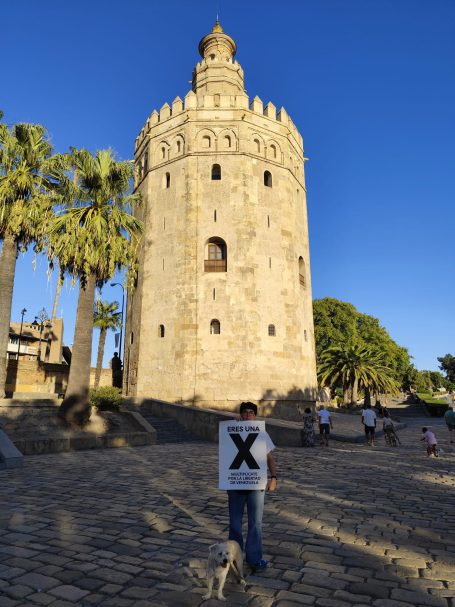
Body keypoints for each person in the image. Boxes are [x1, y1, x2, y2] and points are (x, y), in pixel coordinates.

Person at [227, 402, 277, 571]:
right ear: (241, 415)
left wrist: (274, 478)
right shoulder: (230, 431)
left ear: (255, 416)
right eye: (245, 413)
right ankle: (234, 557)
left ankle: (254, 559)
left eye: (251, 413)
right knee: (235, 523)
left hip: (256, 484)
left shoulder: (262, 433)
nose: (248, 415)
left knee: (256, 523)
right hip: (235, 484)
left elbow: (269, 458)